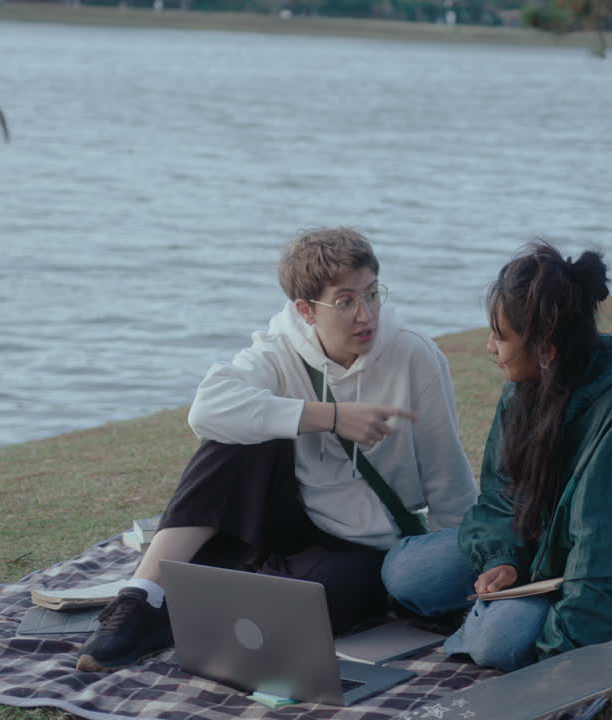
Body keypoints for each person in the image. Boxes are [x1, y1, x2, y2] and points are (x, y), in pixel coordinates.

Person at [76, 227, 478, 672]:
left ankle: (178, 615)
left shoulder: (414, 356)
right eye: (345, 302)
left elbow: (448, 477)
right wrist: (330, 415)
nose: (366, 315)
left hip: (366, 544)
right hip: (289, 515)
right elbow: (206, 410)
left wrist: (459, 570)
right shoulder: (279, 350)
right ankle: (138, 599)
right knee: (232, 439)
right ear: (305, 309)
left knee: (302, 611)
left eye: (372, 294)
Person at [382, 242, 612, 672]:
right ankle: (508, 610)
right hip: (544, 553)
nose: (489, 348)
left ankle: (504, 620)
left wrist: (561, 651)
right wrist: (504, 560)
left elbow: (607, 555)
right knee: (405, 570)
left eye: (500, 337)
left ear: (547, 347)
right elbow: (500, 501)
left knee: (496, 642)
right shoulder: (525, 387)